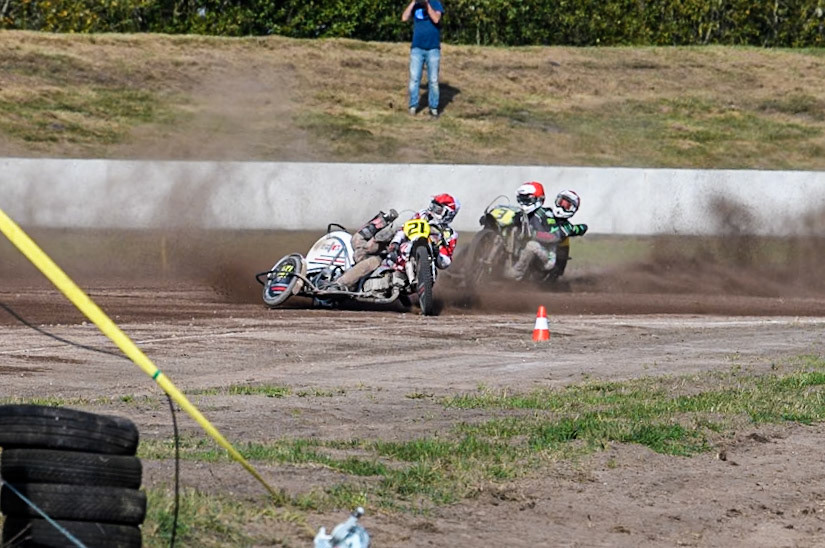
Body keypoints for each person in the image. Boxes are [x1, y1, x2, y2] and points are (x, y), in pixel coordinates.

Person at [505, 182, 588, 280]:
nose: (561, 207)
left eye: (566, 206)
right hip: (536, 250)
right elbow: (527, 214)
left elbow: (554, 237)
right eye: (560, 202)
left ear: (572, 209)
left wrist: (533, 234)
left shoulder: (566, 226)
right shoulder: (545, 212)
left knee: (532, 245)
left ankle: (516, 274)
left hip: (548, 258)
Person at [385, 193, 459, 271]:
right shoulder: (422, 215)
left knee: (433, 271)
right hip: (408, 246)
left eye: (437, 209)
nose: (432, 210)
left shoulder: (451, 234)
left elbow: (446, 262)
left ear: (448, 214)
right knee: (389, 254)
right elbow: (405, 228)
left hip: (430, 260)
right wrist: (395, 242)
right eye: (432, 206)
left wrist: (438, 251)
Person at [334, 208, 399, 290]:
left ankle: (340, 284)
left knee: (369, 260)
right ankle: (339, 284)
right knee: (357, 240)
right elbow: (367, 247)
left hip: (387, 257)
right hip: (381, 254)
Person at [402, 0, 444, 118]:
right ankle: (413, 106)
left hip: (433, 48)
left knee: (433, 80)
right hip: (417, 48)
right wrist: (413, 2)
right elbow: (404, 18)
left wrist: (426, 4)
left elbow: (436, 19)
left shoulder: (436, 3)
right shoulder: (415, 5)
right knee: (414, 78)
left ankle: (433, 108)